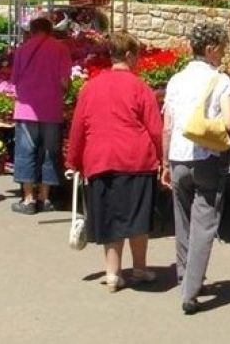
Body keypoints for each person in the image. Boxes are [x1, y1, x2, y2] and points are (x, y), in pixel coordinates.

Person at [65, 32, 163, 292]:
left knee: (111, 217)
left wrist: (73, 161)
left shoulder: (90, 87)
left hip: (100, 159)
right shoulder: (140, 87)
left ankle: (112, 273)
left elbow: (78, 128)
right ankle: (140, 268)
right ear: (129, 55)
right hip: (137, 159)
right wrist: (163, 158)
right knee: (138, 216)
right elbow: (155, 128)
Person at [161, 21, 230, 315]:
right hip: (208, 159)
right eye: (223, 48)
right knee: (204, 223)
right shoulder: (222, 81)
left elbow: (167, 126)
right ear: (211, 48)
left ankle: (184, 275)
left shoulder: (176, 80)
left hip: (178, 157)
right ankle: (191, 290)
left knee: (182, 219)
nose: (224, 54)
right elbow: (229, 123)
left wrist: (165, 162)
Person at [9, 17, 71, 214]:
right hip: (51, 108)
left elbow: (14, 80)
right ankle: (45, 198)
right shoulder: (60, 49)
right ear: (50, 30)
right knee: (50, 152)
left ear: (32, 31)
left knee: (25, 151)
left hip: (26, 108)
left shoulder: (22, 49)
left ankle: (28, 199)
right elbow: (64, 82)